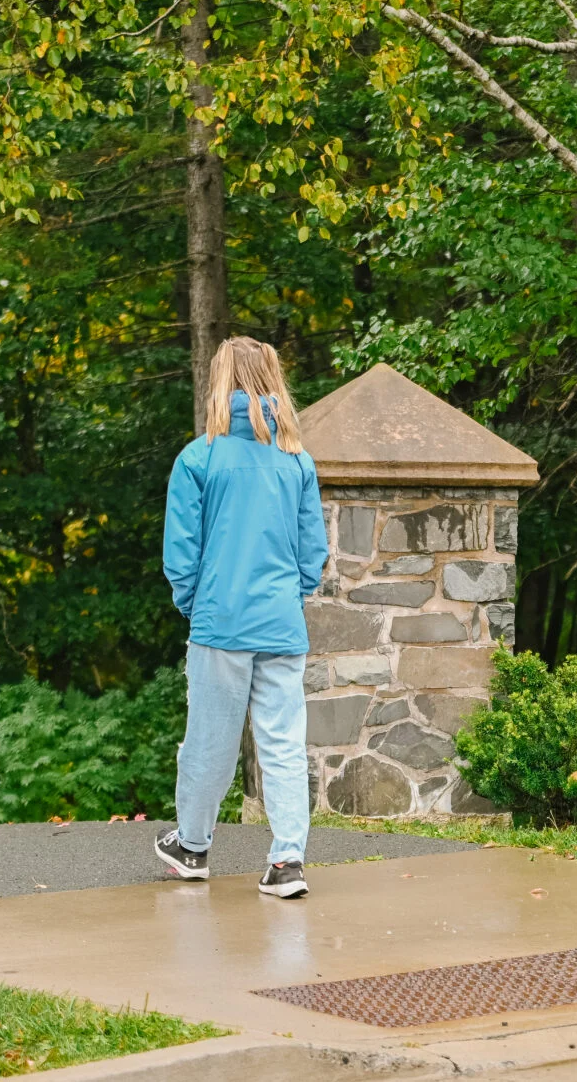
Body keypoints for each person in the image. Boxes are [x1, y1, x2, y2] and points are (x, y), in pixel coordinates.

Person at [155, 336, 328, 898]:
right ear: (274, 381)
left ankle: (193, 846)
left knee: (210, 740)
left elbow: (181, 553)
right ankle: (287, 863)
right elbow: (311, 553)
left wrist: (194, 604)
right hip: (281, 623)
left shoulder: (198, 457)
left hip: (220, 623)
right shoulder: (296, 458)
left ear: (221, 380)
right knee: (282, 743)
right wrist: (290, 597)